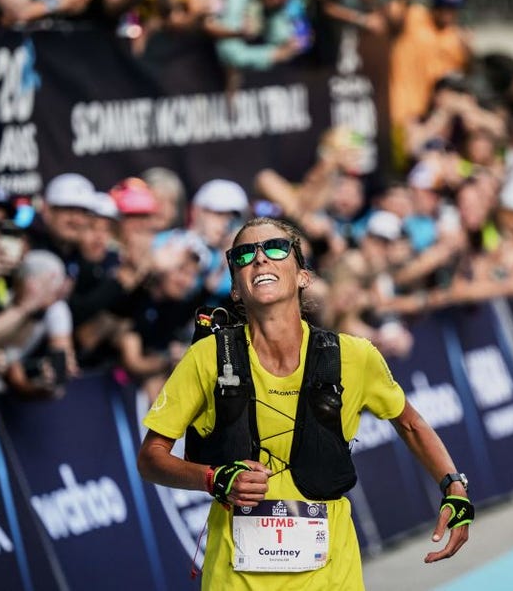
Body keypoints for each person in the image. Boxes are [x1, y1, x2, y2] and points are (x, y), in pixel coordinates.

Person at [137, 216, 472, 589]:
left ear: (303, 276)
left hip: (332, 579)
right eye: (245, 254)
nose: (260, 259)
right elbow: (151, 458)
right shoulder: (207, 358)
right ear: (235, 288)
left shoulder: (354, 356)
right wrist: (212, 478)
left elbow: (410, 423)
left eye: (276, 248)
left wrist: (454, 489)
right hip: (234, 581)